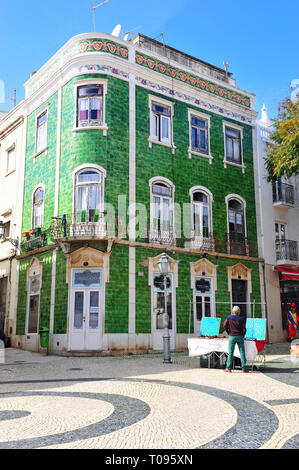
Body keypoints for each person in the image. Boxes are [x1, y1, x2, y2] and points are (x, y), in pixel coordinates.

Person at [223, 305, 248, 373]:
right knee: (242, 352)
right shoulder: (241, 319)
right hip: (240, 336)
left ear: (233, 311)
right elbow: (244, 329)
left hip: (232, 336)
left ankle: (228, 368)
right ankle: (244, 368)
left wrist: (228, 332)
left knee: (230, 353)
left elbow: (224, 325)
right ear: (239, 312)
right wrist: (243, 335)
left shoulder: (229, 317)